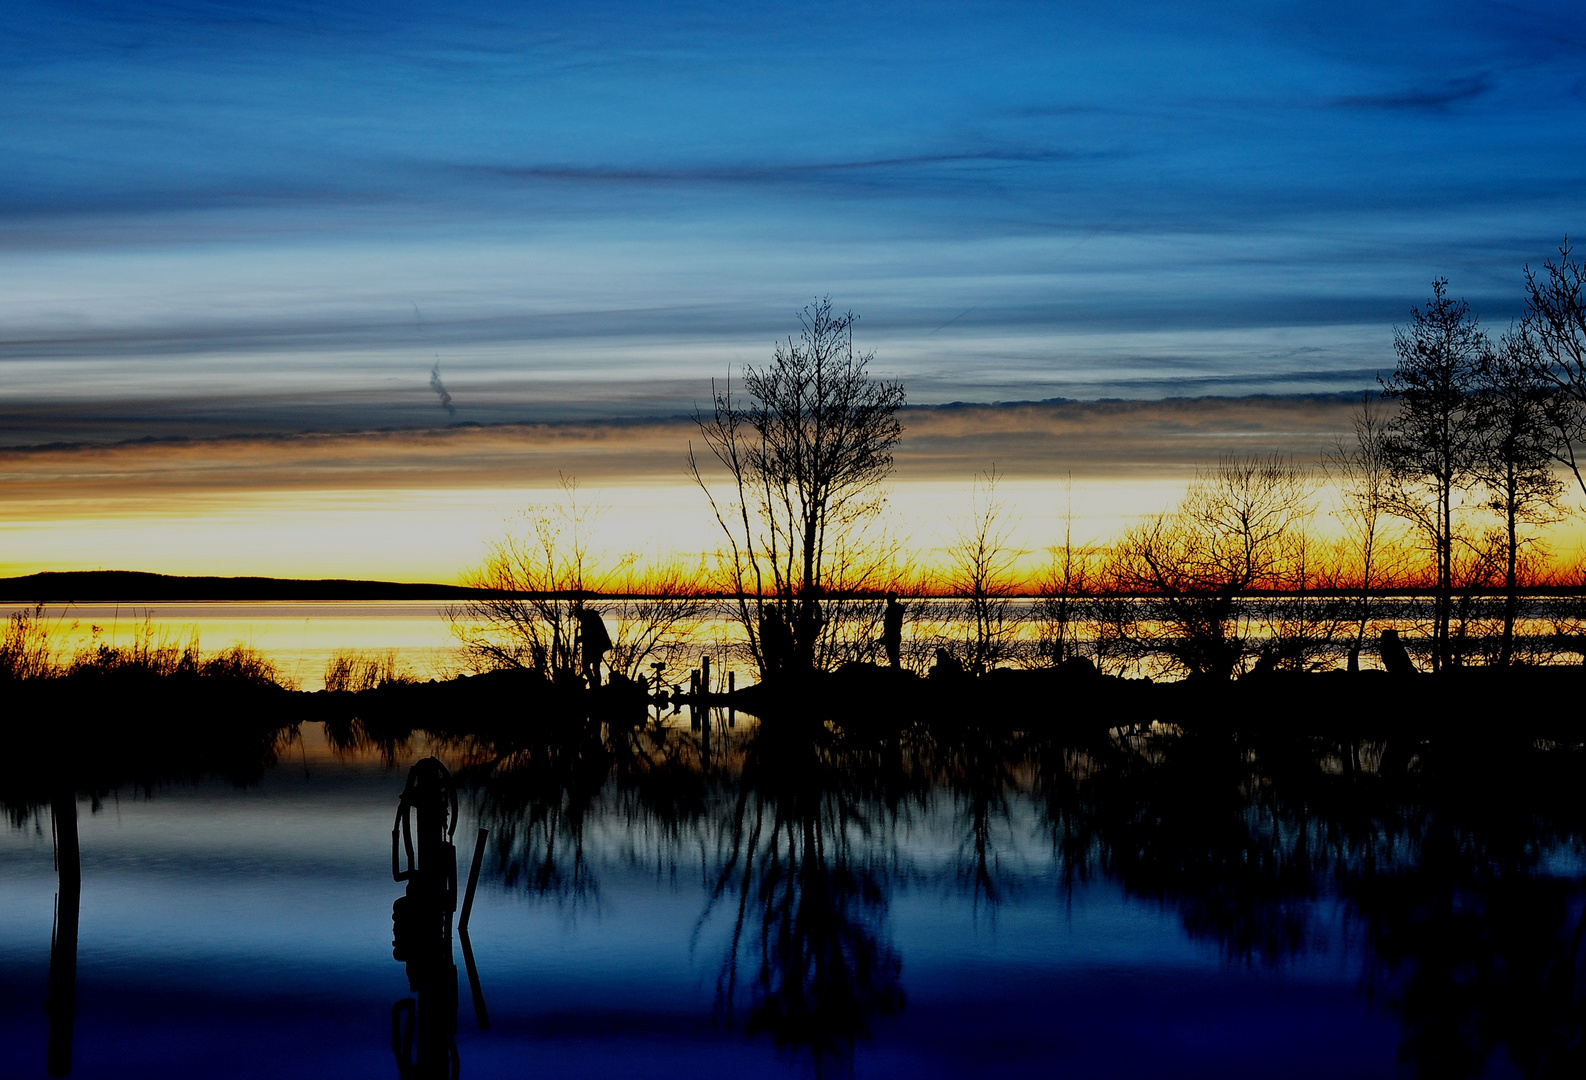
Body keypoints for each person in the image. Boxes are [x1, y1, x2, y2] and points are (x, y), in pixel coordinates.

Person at [578, 607, 613, 687]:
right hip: (596, 647)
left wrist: (579, 639)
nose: (579, 620)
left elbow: (590, 635)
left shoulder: (589, 620)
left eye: (578, 618)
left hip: (595, 647)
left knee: (590, 667)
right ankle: (595, 684)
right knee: (594, 667)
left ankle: (594, 684)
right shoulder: (591, 618)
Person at [882, 592, 904, 670]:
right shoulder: (894, 608)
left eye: (889, 598)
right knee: (893, 655)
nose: (887, 600)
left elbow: (890, 625)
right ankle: (895, 669)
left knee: (893, 655)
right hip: (894, 635)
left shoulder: (892, 609)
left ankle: (895, 670)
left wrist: (886, 636)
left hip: (892, 635)